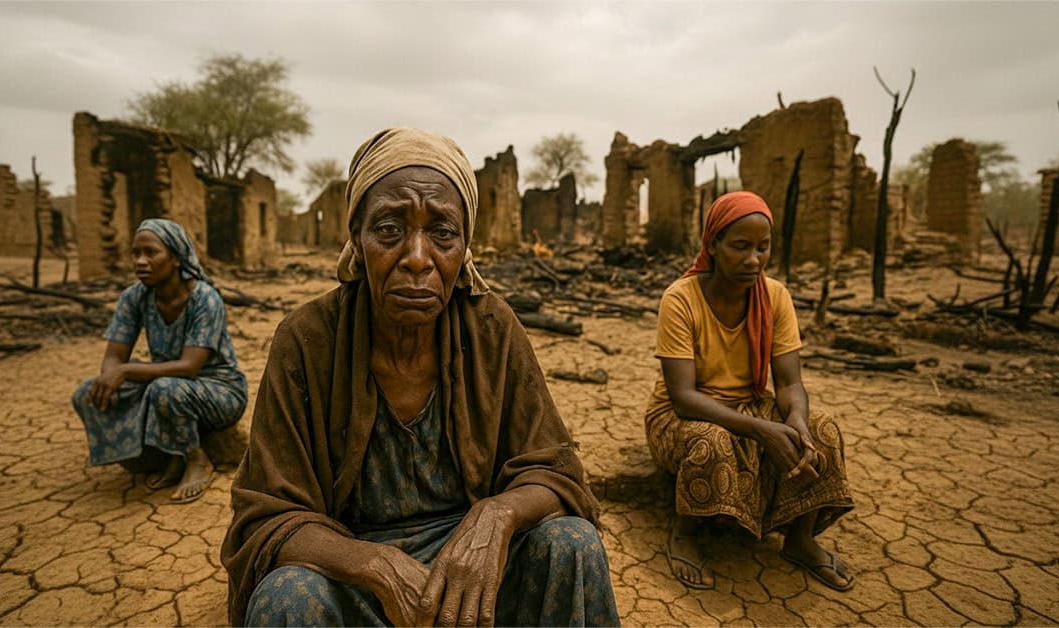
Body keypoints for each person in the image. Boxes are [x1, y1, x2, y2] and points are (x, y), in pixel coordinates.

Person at [221, 128, 619, 627]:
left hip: (474, 567)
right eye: (389, 229)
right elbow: (267, 517)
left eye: (442, 234)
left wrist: (496, 515)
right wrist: (375, 565)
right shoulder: (307, 339)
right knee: (288, 599)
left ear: (466, 246)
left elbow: (555, 472)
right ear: (357, 238)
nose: (416, 257)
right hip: (354, 571)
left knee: (572, 543)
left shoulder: (491, 329)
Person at [645, 191, 855, 592]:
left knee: (821, 430)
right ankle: (685, 533)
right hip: (682, 415)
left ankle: (800, 540)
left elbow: (790, 383)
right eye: (740, 246)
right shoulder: (681, 299)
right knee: (712, 441)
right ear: (713, 245)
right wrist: (761, 431)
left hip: (750, 405)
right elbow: (683, 397)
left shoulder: (775, 297)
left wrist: (796, 420)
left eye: (763, 247)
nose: (754, 260)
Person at [71, 219, 247, 504]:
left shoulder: (205, 299)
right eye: (135, 253)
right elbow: (114, 356)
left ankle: (197, 460)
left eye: (151, 252)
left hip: (219, 390)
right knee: (88, 393)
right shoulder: (134, 297)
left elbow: (188, 367)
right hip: (164, 383)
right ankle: (157, 456)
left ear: (176, 258)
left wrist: (125, 371)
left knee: (164, 389)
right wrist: (111, 377)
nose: (140, 261)